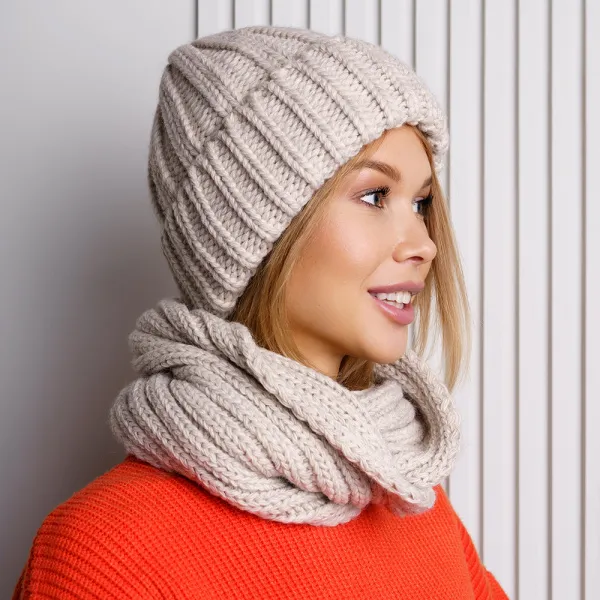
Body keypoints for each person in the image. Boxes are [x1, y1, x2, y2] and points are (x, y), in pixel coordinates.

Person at [13, 25, 508, 599]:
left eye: (420, 203)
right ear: (254, 237)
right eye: (375, 196)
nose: (424, 244)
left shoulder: (411, 498)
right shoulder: (104, 551)